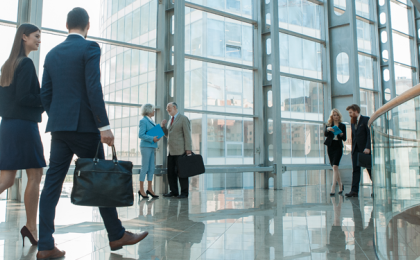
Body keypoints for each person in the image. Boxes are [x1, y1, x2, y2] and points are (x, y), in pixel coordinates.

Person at [37, 8, 148, 259]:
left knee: (52, 185)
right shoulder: (90, 48)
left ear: (66, 25)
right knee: (101, 177)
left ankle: (45, 245)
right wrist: (103, 126)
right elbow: (92, 87)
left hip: (59, 129)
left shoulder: (53, 54)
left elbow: (46, 94)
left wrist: (58, 116)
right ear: (87, 25)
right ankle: (116, 234)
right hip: (86, 128)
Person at [0, 23, 44, 247]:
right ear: (24, 37)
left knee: (7, 179)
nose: (39, 40)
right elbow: (24, 98)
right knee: (35, 175)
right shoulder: (26, 63)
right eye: (36, 36)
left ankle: (31, 227)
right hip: (24, 126)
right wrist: (46, 98)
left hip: (8, 126)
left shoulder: (7, 65)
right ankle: (31, 227)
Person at [160, 102, 192, 199]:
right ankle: (174, 191)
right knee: (171, 173)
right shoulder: (170, 121)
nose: (167, 110)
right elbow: (167, 135)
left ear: (174, 107)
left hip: (181, 151)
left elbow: (187, 135)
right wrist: (163, 127)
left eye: (168, 108)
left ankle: (184, 193)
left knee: (182, 172)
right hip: (171, 151)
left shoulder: (183, 119)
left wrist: (188, 149)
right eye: (167, 108)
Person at [345, 104, 372, 198]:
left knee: (369, 170)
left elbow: (369, 134)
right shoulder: (352, 122)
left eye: (351, 112)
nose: (350, 114)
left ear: (356, 111)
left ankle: (375, 189)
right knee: (355, 171)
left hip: (365, 150)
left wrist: (368, 147)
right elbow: (353, 136)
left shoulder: (366, 119)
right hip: (355, 150)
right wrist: (352, 150)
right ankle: (354, 191)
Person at [138, 103, 160, 199]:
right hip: (146, 147)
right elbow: (141, 135)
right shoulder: (143, 121)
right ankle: (141, 189)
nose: (154, 111)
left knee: (151, 168)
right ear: (148, 110)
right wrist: (152, 138)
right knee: (145, 167)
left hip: (152, 146)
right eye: (153, 110)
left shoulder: (151, 120)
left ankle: (150, 189)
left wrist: (156, 137)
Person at [324, 108, 347, 196]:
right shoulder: (329, 124)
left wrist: (341, 134)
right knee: (335, 168)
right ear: (332, 116)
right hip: (330, 147)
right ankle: (341, 185)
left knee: (335, 166)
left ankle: (333, 187)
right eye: (334, 115)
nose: (336, 116)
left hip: (338, 146)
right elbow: (325, 134)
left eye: (337, 115)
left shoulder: (342, 126)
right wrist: (328, 129)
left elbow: (344, 138)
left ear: (339, 116)